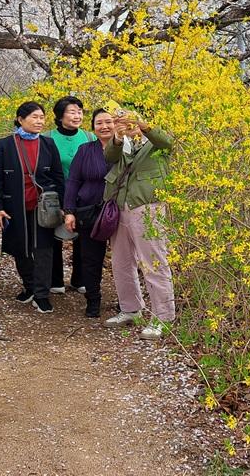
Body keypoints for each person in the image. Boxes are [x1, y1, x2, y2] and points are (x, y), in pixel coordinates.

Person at [102, 108, 175, 339]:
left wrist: (143, 125)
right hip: (120, 207)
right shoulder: (124, 142)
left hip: (148, 207)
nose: (128, 122)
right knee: (121, 262)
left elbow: (166, 141)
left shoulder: (156, 142)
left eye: (132, 117)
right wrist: (117, 136)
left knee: (154, 262)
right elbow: (108, 157)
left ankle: (163, 317)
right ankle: (131, 309)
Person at [0, 101, 66, 313]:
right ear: (20, 119)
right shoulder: (5, 144)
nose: (39, 121)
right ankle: (30, 286)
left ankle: (41, 294)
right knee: (19, 248)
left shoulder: (48, 144)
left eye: (42, 117)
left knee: (43, 250)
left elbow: (58, 176)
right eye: (34, 117)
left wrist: (63, 205)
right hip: (14, 206)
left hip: (43, 206)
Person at [62, 109, 117, 318]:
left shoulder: (127, 148)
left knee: (123, 259)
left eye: (109, 122)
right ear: (93, 127)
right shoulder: (85, 150)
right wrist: (69, 211)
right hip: (89, 212)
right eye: (99, 123)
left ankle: (126, 302)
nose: (104, 127)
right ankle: (93, 300)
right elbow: (73, 181)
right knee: (91, 259)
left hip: (118, 211)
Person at [46, 96, 96, 295]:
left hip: (84, 197)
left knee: (83, 238)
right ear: (60, 116)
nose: (77, 116)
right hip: (56, 194)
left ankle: (79, 279)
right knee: (53, 237)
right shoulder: (48, 137)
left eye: (80, 112)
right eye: (72, 112)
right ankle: (55, 280)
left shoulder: (89, 137)